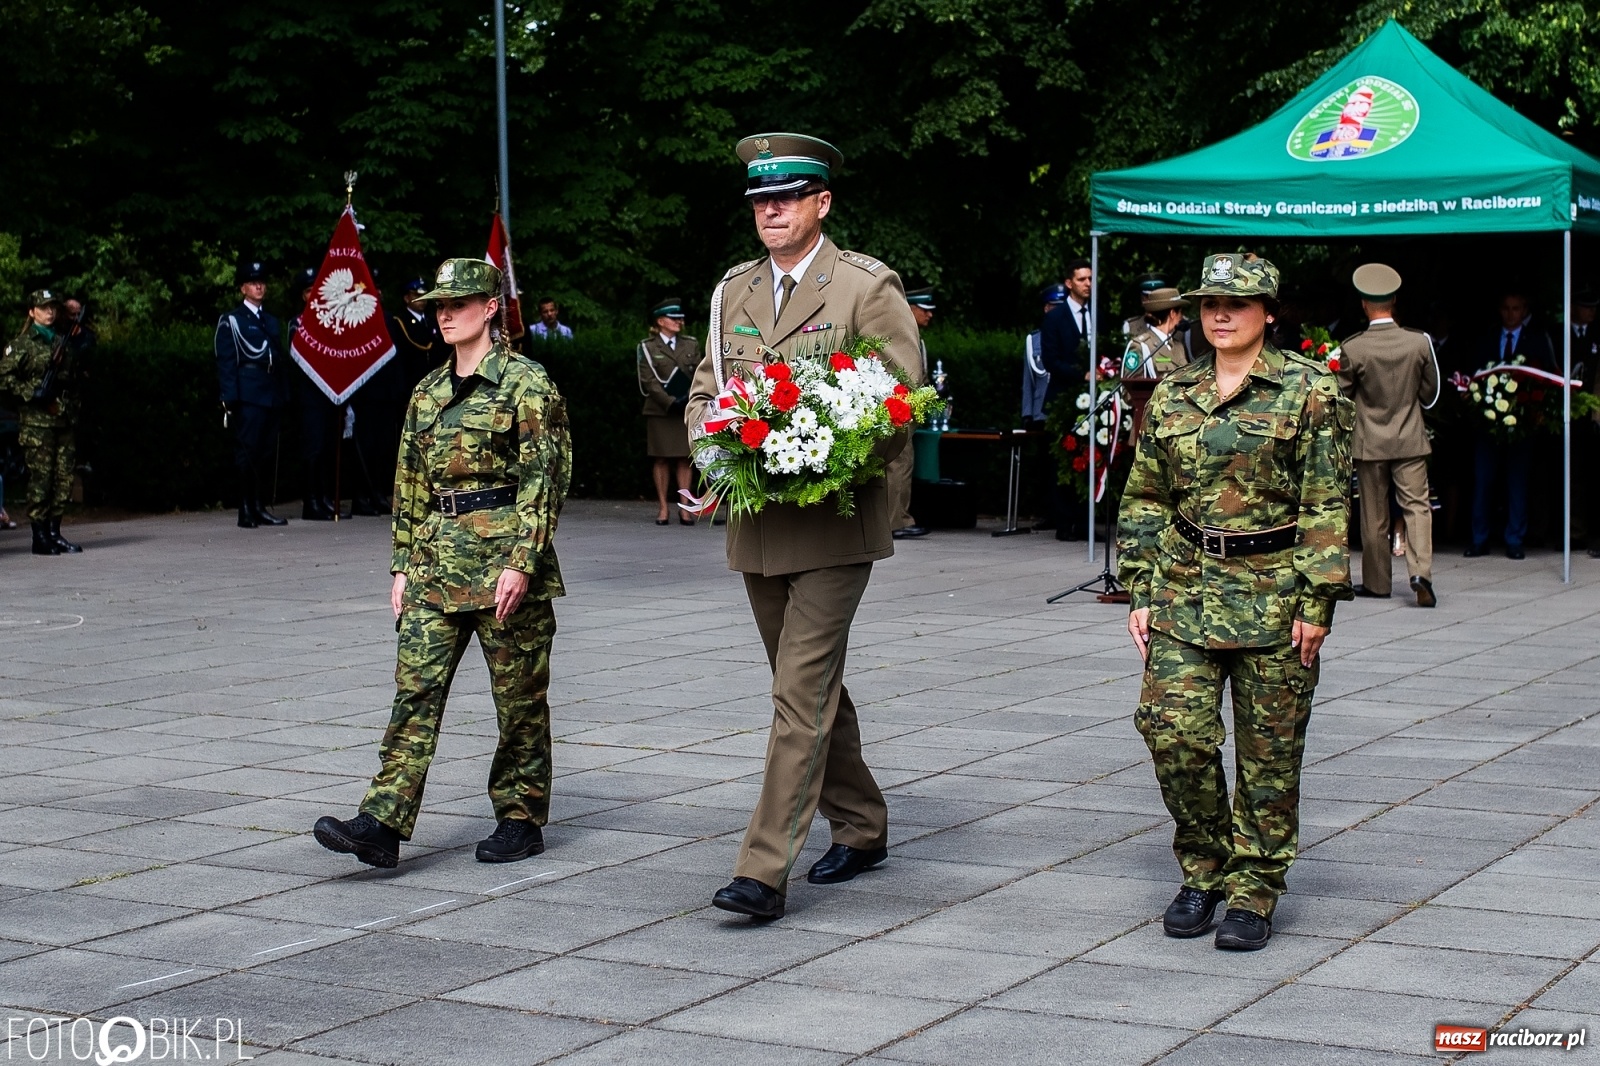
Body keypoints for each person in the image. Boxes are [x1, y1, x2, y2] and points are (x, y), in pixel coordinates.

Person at [685, 131, 922, 920]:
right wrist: (715, 451)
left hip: (834, 521)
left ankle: (762, 869)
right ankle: (860, 823)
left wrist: (821, 452)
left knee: (798, 691)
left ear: (822, 203)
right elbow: (704, 393)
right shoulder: (733, 293)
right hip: (757, 525)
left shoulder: (864, 286)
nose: (771, 211)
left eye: (786, 198)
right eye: (760, 200)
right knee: (812, 690)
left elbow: (899, 397)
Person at [1118, 252, 1353, 951]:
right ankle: (1204, 868)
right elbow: (1146, 495)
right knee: (1174, 734)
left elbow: (1326, 501)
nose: (1220, 314)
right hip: (1186, 588)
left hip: (1276, 593)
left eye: (1237, 304)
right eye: (1209, 303)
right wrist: (1141, 587)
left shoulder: (1310, 390)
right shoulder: (1174, 392)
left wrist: (1319, 602)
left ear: (1268, 313)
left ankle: (1255, 887)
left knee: (1269, 755)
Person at [313, 257, 572, 869]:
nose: (445, 314)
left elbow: (546, 478)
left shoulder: (527, 385)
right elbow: (410, 485)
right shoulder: (427, 393)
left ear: (489, 309)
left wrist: (523, 562)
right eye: (438, 306)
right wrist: (401, 565)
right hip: (435, 563)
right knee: (415, 693)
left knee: (518, 699)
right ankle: (382, 821)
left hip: (505, 563)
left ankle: (519, 815)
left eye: (458, 304)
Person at [1337, 264, 1440, 607]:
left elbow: (1343, 395)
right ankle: (1420, 572)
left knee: (1374, 515)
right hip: (1410, 437)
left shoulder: (1354, 348)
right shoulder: (1418, 342)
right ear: (1394, 300)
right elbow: (1431, 394)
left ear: (1364, 304)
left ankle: (1378, 583)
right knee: (1417, 508)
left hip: (1370, 441)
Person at [1465, 291, 1555, 559]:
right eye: (1506, 308)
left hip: (1522, 426)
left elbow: (1547, 377)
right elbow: (1473, 375)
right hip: (1488, 425)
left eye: (1516, 308)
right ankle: (1479, 538)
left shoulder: (1536, 341)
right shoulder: (1487, 339)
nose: (1511, 313)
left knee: (1517, 484)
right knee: (1483, 482)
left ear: (1525, 310)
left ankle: (1514, 538)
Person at [0, 289, 85, 555]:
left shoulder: (62, 340)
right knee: (41, 480)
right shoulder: (22, 344)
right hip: (37, 423)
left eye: (53, 308)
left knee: (63, 479)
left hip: (63, 417)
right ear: (32, 311)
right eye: (44, 307)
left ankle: (54, 533)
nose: (50, 312)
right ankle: (39, 536)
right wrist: (31, 393)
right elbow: (4, 381)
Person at [215, 259, 291, 528]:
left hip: (269, 392)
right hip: (248, 393)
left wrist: (283, 393)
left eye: (261, 283)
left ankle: (259, 507)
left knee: (265, 453)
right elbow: (226, 360)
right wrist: (229, 396)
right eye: (253, 283)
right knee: (247, 452)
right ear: (243, 288)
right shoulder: (233, 320)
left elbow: (278, 358)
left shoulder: (270, 321)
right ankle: (245, 509)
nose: (259, 287)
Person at [637, 296, 700, 525]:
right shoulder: (647, 347)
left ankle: (685, 508)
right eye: (674, 318)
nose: (679, 321)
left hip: (684, 407)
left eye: (680, 317)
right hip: (660, 410)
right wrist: (669, 401)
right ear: (661, 321)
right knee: (661, 459)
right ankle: (663, 507)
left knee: (685, 458)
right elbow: (648, 380)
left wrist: (687, 399)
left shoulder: (691, 344)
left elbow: (699, 375)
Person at [291, 267, 339, 521]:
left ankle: (323, 498)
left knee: (327, 448)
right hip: (310, 395)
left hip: (329, 395)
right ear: (303, 296)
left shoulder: (330, 323)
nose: (313, 296)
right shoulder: (297, 324)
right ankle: (310, 502)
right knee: (313, 449)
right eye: (309, 291)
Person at [890, 287, 934, 539]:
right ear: (910, 308)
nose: (929, 316)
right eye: (925, 310)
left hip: (907, 407)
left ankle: (899, 517)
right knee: (899, 464)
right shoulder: (899, 333)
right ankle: (897, 521)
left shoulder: (912, 334)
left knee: (902, 464)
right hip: (899, 407)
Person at [1121, 288, 1192, 380]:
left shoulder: (1178, 346)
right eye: (1180, 312)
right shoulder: (1141, 346)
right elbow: (1131, 389)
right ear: (1172, 313)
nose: (1181, 317)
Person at [390, 277, 448, 389]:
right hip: (413, 383)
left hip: (436, 382)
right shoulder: (399, 322)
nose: (422, 299)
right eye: (417, 296)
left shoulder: (433, 320)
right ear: (407, 298)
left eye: (424, 296)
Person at [1022, 283, 1065, 426]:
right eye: (1055, 307)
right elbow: (1028, 380)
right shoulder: (1033, 340)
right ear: (1046, 308)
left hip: (1067, 409)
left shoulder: (1075, 338)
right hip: (1041, 412)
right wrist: (1027, 413)